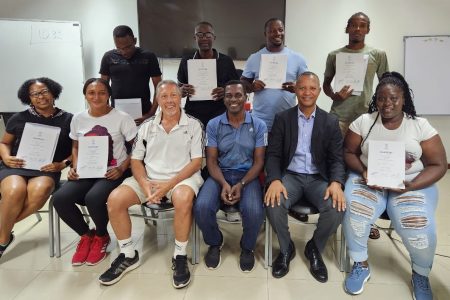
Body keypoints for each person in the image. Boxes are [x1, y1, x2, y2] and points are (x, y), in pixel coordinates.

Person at [342, 72, 447, 300]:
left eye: (394, 98)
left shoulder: (419, 125)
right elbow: (349, 152)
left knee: (417, 222)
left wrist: (411, 186)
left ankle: (420, 273)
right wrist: (363, 171)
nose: (387, 104)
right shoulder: (364, 121)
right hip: (370, 180)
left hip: (411, 183)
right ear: (375, 99)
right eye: (381, 98)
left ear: (404, 99)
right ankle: (360, 263)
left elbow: (439, 164)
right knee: (356, 210)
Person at [98, 80, 204, 289]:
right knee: (115, 199)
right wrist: (145, 185)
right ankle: (128, 253)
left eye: (174, 95)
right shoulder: (146, 127)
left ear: (181, 97)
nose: (169, 100)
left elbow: (196, 162)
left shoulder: (194, 124)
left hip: (181, 179)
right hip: (149, 178)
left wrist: (167, 186)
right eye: (164, 96)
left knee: (183, 198)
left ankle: (180, 256)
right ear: (157, 100)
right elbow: (136, 160)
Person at [264, 72, 345, 282]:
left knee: (336, 206)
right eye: (302, 88)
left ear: (319, 91)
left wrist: (336, 183)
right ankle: (286, 248)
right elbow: (272, 154)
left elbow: (337, 159)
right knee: (273, 202)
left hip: (319, 179)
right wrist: (274, 180)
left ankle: (314, 249)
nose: (307, 92)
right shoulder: (283, 118)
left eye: (312, 88)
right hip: (291, 176)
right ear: (295, 90)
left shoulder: (330, 122)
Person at [52, 78, 137, 266]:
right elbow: (75, 146)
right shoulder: (78, 118)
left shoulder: (122, 117)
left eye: (102, 93)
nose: (96, 97)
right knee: (59, 199)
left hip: (112, 172)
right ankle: (86, 235)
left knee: (94, 197)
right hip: (85, 171)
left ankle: (101, 235)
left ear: (109, 95)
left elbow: (138, 148)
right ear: (85, 95)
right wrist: (74, 167)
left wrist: (122, 168)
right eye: (91, 93)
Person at [194, 80, 267, 272]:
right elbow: (211, 160)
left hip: (248, 176)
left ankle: (247, 247)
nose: (233, 99)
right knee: (201, 207)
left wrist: (241, 184)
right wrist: (224, 183)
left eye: (238, 95)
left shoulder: (259, 125)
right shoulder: (213, 124)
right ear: (223, 98)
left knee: (254, 211)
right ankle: (215, 242)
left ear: (246, 97)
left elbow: (259, 161)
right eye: (229, 95)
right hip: (220, 174)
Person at [0, 77, 72, 258]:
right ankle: (2, 240)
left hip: (46, 169)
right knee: (15, 191)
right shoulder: (19, 118)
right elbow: (4, 143)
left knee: (40, 191)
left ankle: (3, 232)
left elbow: (75, 150)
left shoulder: (69, 119)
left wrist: (63, 164)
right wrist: (7, 157)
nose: (40, 97)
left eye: (44, 91)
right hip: (16, 166)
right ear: (28, 98)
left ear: (53, 92)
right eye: (34, 94)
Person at [323, 12, 389, 135]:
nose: (358, 29)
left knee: (361, 153)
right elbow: (326, 84)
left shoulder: (378, 54)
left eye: (362, 26)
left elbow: (386, 85)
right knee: (336, 153)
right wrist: (333, 95)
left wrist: (378, 105)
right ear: (347, 28)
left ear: (368, 30)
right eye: (353, 25)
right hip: (339, 115)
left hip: (365, 115)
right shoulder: (334, 55)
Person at [241, 17, 308, 131]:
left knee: (286, 149)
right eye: (272, 31)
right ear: (265, 34)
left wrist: (296, 88)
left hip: (287, 120)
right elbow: (242, 84)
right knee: (261, 150)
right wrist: (251, 87)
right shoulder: (254, 58)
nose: (277, 33)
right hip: (261, 121)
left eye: (280, 30)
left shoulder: (298, 58)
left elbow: (307, 86)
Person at [177, 21, 240, 128]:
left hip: (220, 114)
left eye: (208, 34)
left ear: (213, 37)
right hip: (193, 114)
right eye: (200, 35)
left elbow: (237, 87)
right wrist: (181, 91)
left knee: (217, 145)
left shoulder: (226, 60)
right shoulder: (186, 60)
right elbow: (179, 87)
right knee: (196, 144)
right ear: (195, 38)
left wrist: (225, 91)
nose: (204, 38)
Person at [100, 25, 162, 124]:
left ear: (135, 40)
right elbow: (102, 88)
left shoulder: (148, 56)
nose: (124, 52)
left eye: (128, 47)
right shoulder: (108, 57)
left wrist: (150, 114)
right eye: (119, 48)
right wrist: (106, 113)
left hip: (144, 113)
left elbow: (159, 87)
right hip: (116, 114)